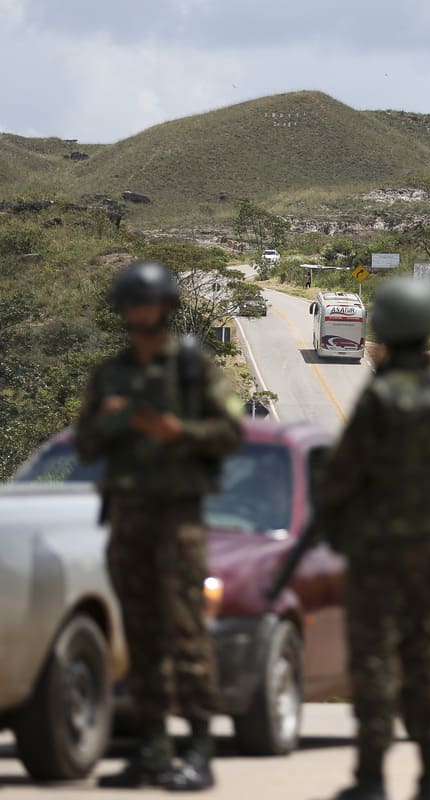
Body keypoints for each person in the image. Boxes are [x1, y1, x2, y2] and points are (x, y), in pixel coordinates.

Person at [75, 260, 244, 791]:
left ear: (166, 307)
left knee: (185, 634)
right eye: (132, 304)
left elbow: (232, 432)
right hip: (127, 520)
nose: (140, 313)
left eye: (147, 303)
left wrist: (178, 432)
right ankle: (151, 749)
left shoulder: (193, 369)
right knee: (140, 637)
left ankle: (199, 749)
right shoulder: (110, 374)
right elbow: (85, 445)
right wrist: (113, 419)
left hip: (178, 521)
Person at [315, 277, 430, 800]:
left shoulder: (381, 398)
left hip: (378, 555)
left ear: (384, 330)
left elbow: (341, 477)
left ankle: (371, 777)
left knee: (373, 662)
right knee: (425, 660)